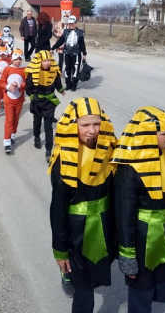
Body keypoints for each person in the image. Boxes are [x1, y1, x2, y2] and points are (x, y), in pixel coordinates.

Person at [112, 107, 165, 313]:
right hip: (142, 237)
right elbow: (124, 216)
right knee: (141, 291)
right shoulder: (129, 170)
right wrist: (127, 254)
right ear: (147, 135)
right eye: (164, 134)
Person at [49, 97, 118, 312]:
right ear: (73, 126)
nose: (92, 131)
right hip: (76, 230)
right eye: (85, 125)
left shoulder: (109, 151)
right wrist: (60, 251)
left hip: (104, 225)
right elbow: (58, 210)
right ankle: (67, 274)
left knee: (98, 270)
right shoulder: (64, 159)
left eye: (97, 123)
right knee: (83, 288)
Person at [25, 50, 66, 162]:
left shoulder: (53, 71)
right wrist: (33, 97)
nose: (47, 63)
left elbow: (57, 82)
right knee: (37, 122)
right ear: (40, 62)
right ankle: (37, 137)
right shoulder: (33, 72)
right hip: (37, 101)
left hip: (49, 102)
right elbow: (28, 88)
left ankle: (48, 151)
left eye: (49, 60)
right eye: (45, 61)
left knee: (48, 127)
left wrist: (61, 90)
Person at [51, 16, 87, 92]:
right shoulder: (66, 32)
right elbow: (60, 41)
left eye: (72, 23)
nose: (71, 25)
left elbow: (82, 44)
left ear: (75, 23)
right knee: (67, 69)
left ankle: (74, 85)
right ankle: (68, 84)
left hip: (76, 54)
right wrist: (53, 48)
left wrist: (84, 54)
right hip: (67, 53)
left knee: (75, 69)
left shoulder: (80, 32)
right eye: (69, 23)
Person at [1, 49, 26, 153]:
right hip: (8, 100)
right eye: (16, 59)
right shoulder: (7, 69)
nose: (18, 61)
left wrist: (19, 86)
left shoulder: (25, 70)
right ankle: (6, 142)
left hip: (19, 99)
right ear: (12, 59)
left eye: (20, 59)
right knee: (9, 120)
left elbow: (27, 83)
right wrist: (8, 87)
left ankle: (12, 135)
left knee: (15, 119)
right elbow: (1, 82)